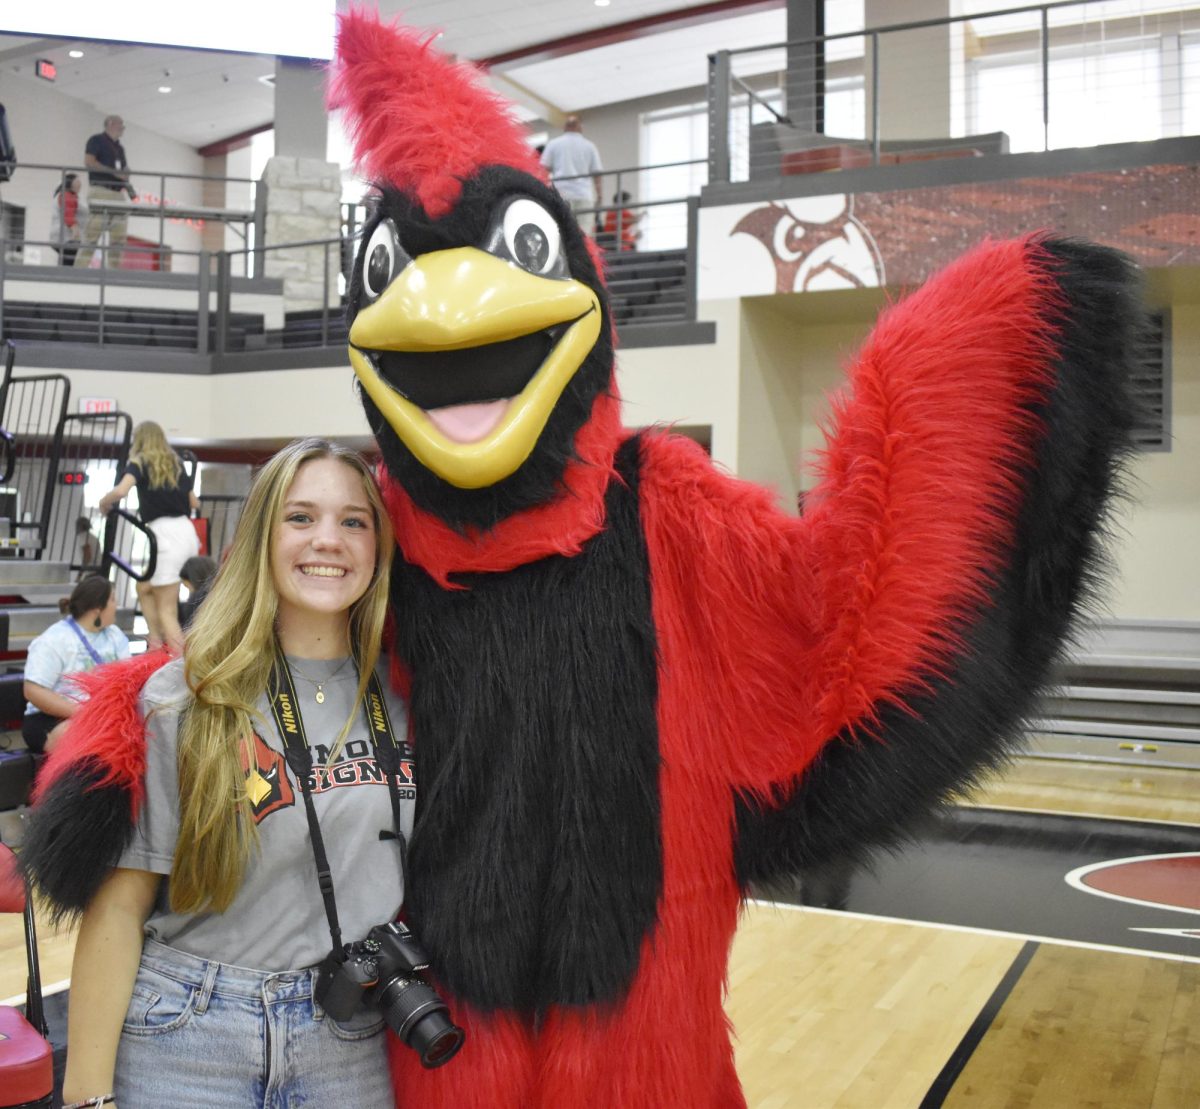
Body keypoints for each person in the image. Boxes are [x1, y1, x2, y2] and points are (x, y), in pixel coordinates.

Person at [59, 438, 405, 1108]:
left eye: (353, 520)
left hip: (350, 1039)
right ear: (259, 537)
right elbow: (119, 909)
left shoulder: (414, 697)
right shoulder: (183, 696)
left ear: (379, 543)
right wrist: (86, 1099)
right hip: (187, 1031)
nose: (327, 540)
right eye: (300, 518)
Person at [98, 421, 200, 655]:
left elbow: (121, 491)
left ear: (140, 440)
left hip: (164, 536)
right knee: (144, 587)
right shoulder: (175, 463)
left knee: (167, 609)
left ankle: (179, 663)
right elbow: (194, 502)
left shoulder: (140, 462)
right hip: (186, 531)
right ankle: (155, 646)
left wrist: (104, 502)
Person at [21, 575, 130, 755]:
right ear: (97, 609)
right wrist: (82, 712)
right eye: (112, 600)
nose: (116, 605)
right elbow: (33, 690)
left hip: (103, 716)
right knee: (89, 738)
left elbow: (127, 678)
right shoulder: (55, 639)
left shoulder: (115, 635)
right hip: (53, 717)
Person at [75, 114, 135, 269]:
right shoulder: (96, 141)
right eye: (120, 124)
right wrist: (114, 173)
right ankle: (78, 272)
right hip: (100, 190)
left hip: (117, 194)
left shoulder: (120, 148)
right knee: (92, 235)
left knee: (119, 238)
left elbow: (123, 170)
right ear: (110, 124)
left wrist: (126, 176)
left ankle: (113, 274)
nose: (123, 127)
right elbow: (89, 162)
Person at [539, 113, 602, 219]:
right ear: (580, 127)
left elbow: (544, 169)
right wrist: (599, 195)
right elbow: (597, 173)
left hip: (561, 193)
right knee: (583, 231)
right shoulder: (589, 146)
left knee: (563, 229)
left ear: (565, 127)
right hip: (583, 194)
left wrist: (544, 191)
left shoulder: (553, 144)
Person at [49, 173, 84, 266]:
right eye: (77, 181)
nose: (80, 184)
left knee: (67, 263)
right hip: (68, 238)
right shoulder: (67, 195)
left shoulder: (68, 195)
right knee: (68, 264)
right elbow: (68, 213)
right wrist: (75, 231)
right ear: (70, 183)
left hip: (67, 237)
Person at [177, 553, 217, 629]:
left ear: (193, 579)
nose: (189, 591)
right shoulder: (217, 593)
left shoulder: (197, 600)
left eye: (187, 587)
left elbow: (186, 626)